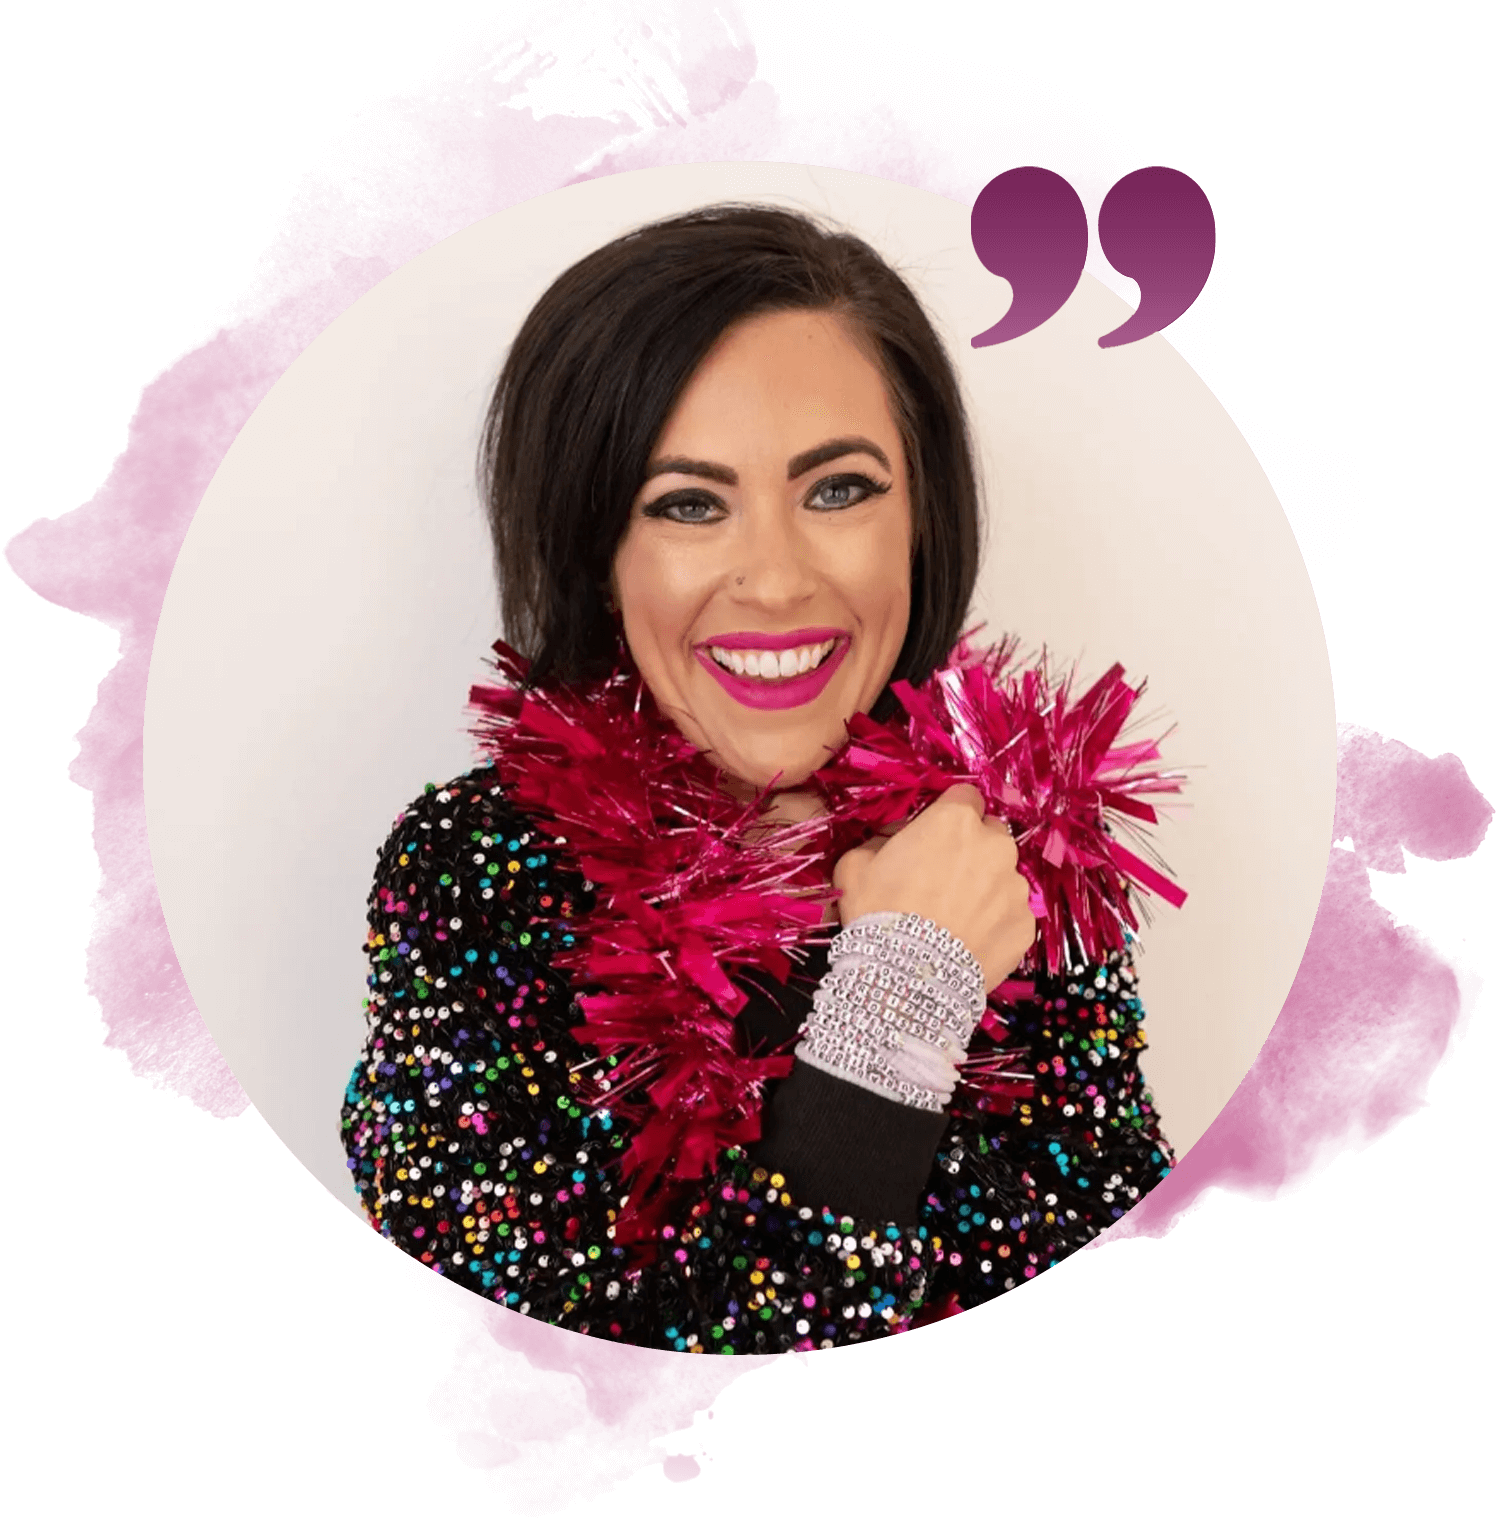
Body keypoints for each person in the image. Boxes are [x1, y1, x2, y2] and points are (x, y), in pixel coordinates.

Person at [341, 205, 1175, 1353]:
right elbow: (561, 1383)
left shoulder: (1019, 843)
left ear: (921, 517)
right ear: (595, 552)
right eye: (687, 504)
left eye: (837, 490)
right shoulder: (472, 871)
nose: (775, 582)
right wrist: (899, 1001)